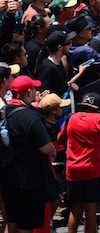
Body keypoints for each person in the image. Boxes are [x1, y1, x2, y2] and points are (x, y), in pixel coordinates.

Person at [0, 75, 60, 233]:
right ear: (28, 92)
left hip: (8, 176)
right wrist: (53, 150)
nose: (36, 91)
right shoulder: (29, 116)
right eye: (34, 88)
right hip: (29, 180)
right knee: (26, 226)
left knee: (12, 220)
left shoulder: (6, 110)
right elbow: (46, 147)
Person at [60, 91, 100, 233]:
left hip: (73, 170)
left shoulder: (71, 118)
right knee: (91, 210)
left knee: (75, 209)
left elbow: (60, 139)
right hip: (93, 170)